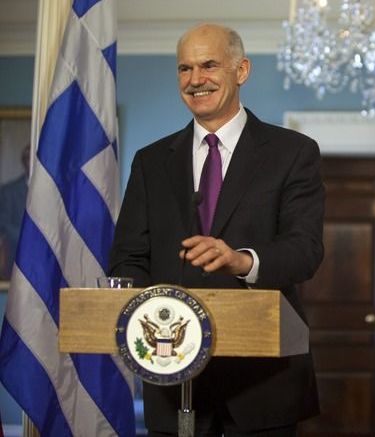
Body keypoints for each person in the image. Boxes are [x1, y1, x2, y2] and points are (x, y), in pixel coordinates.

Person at [109, 23, 324, 436]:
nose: (195, 80)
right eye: (184, 69)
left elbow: (305, 249)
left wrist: (241, 261)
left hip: (263, 379)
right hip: (174, 375)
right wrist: (158, 321)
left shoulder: (292, 152)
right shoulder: (150, 162)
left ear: (241, 71)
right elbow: (128, 257)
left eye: (208, 65)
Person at [0, 144, 30, 279]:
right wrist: (26, 237)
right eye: (28, 158)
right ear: (24, 161)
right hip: (15, 257)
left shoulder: (53, 191)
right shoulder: (9, 191)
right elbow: (3, 223)